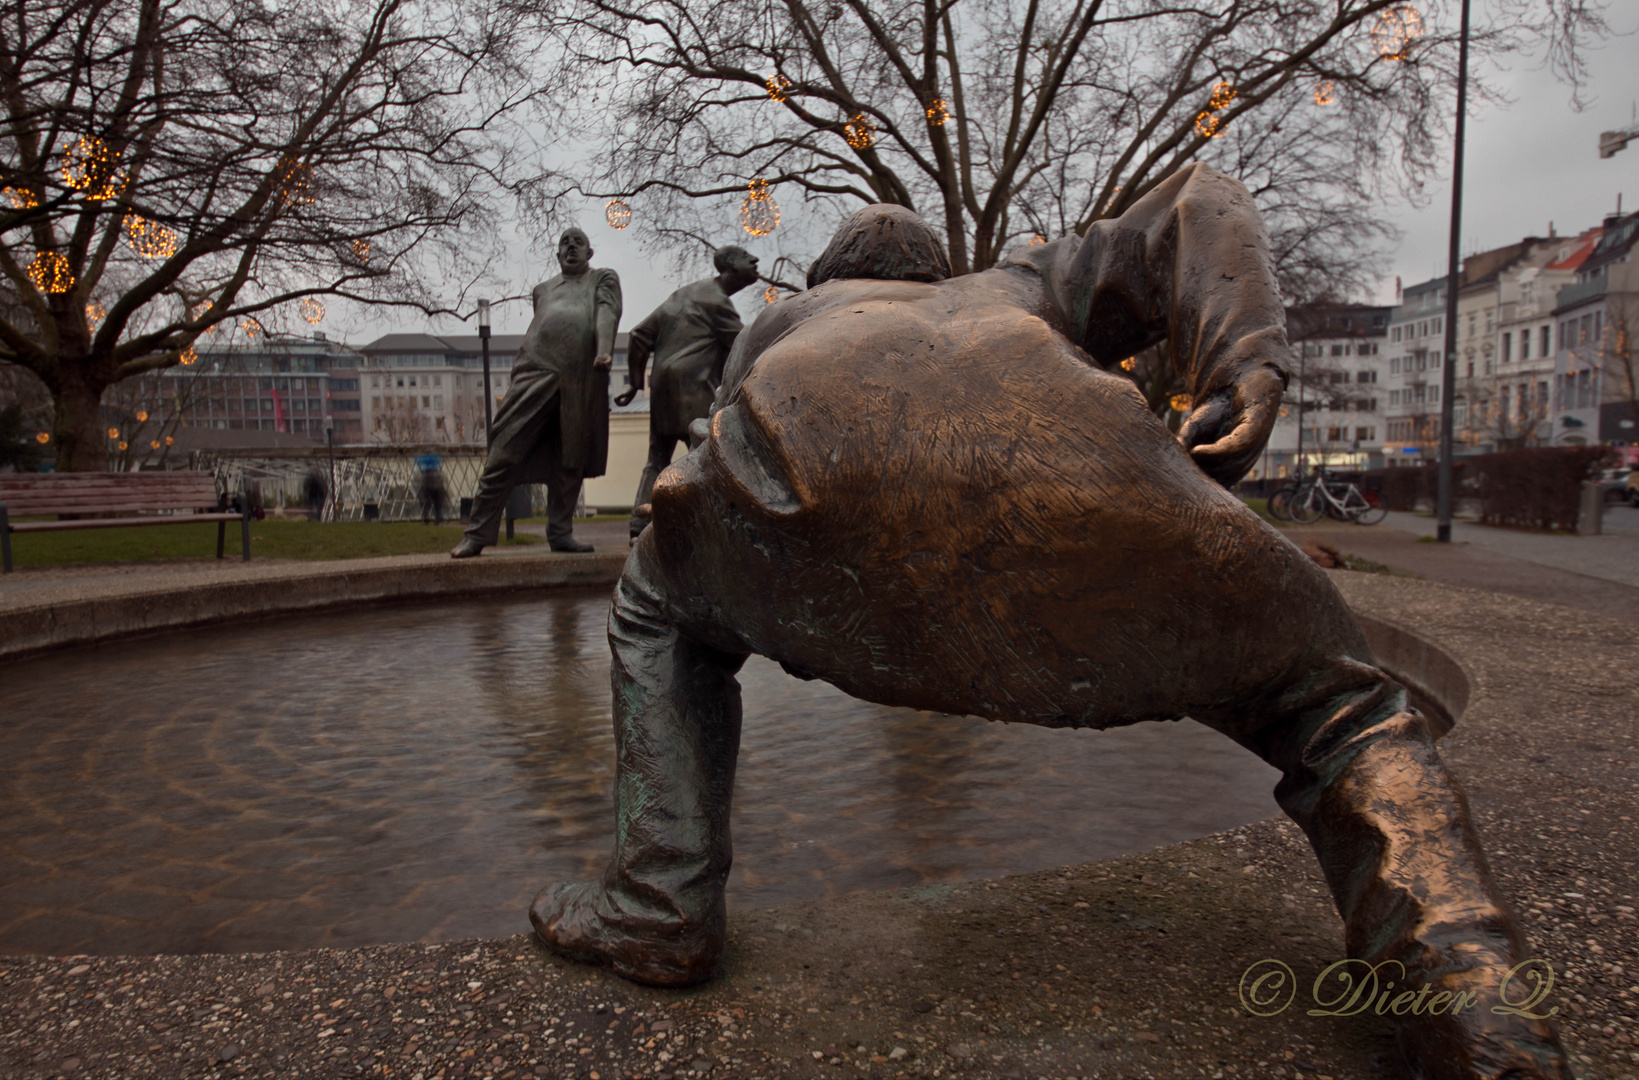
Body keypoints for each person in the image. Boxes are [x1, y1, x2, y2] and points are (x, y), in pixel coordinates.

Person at [528, 165, 1568, 1080]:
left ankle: (658, 900)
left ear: (828, 278)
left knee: (656, 601)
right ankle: (1471, 992)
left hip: (798, 532)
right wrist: (1242, 361)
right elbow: (1200, 199)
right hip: (1106, 507)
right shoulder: (1020, 282)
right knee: (1346, 710)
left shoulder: (790, 320)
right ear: (937, 275)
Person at [451, 229, 620, 557]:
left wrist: (603, 350)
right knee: (504, 448)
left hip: (579, 377)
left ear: (590, 251)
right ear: (557, 256)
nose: (571, 247)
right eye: (564, 243)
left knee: (569, 459)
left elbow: (607, 312)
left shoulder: (602, 278)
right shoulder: (542, 290)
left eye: (578, 242)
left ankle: (560, 532)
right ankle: (477, 533)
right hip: (534, 370)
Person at [615, 245, 760, 540]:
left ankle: (638, 522)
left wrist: (634, 383)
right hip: (694, 388)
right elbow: (746, 347)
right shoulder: (717, 302)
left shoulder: (683, 295)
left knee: (656, 457)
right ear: (730, 265)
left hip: (662, 390)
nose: (755, 260)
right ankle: (711, 528)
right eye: (748, 258)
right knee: (708, 455)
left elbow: (638, 336)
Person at [416, 452, 445, 524]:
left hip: (428, 487)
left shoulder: (426, 472)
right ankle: (438, 516)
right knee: (436, 503)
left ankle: (426, 516)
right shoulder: (436, 469)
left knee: (427, 502)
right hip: (436, 487)